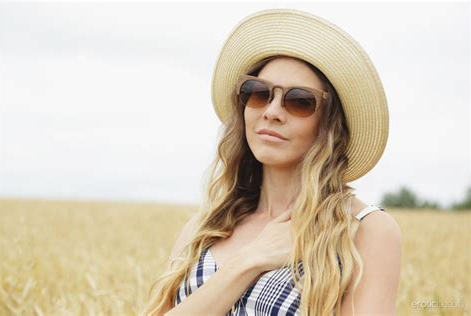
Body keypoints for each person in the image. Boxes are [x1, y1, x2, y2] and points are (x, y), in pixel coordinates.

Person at [143, 8, 401, 316]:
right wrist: (250, 260)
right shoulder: (202, 228)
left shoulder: (364, 231)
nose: (272, 111)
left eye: (299, 101)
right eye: (258, 93)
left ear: (330, 125)